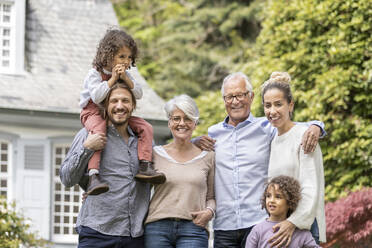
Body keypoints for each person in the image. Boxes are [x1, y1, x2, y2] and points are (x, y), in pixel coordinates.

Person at [194, 72, 325, 248]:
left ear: (251, 96)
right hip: (224, 227)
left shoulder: (267, 127)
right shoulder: (212, 134)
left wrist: (317, 126)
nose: (235, 101)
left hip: (258, 222)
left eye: (240, 95)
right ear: (223, 100)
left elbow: (292, 128)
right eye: (229, 96)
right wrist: (193, 142)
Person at [60, 82, 151, 248]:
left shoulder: (143, 141)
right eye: (114, 101)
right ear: (105, 105)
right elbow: (67, 179)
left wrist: (194, 143)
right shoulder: (88, 135)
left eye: (125, 101)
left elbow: (169, 162)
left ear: (133, 105)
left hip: (135, 235)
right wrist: (86, 149)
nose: (120, 106)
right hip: (96, 232)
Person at [79, 28, 165, 195]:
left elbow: (138, 94)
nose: (126, 61)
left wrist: (126, 79)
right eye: (122, 56)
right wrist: (112, 80)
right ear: (109, 55)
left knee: (145, 127)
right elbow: (97, 97)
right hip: (93, 112)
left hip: (117, 113)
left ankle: (145, 164)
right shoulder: (94, 74)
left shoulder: (125, 75)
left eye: (129, 57)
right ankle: (93, 176)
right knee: (99, 131)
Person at [261, 72, 326, 246]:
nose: (272, 111)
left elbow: (311, 187)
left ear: (290, 105)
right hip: (281, 225)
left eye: (278, 104)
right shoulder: (273, 139)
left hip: (304, 226)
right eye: (267, 105)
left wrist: (293, 222)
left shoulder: (304, 136)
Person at [144, 94, 215, 248]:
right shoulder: (155, 154)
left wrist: (209, 212)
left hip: (194, 229)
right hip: (157, 228)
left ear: (195, 123)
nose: (182, 123)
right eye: (176, 118)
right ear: (169, 122)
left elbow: (211, 196)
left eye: (188, 118)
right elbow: (139, 190)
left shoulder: (208, 157)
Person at [245, 176, 320, 248]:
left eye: (278, 197)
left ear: (290, 202)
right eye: (268, 196)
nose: (271, 200)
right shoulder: (258, 230)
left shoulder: (301, 232)